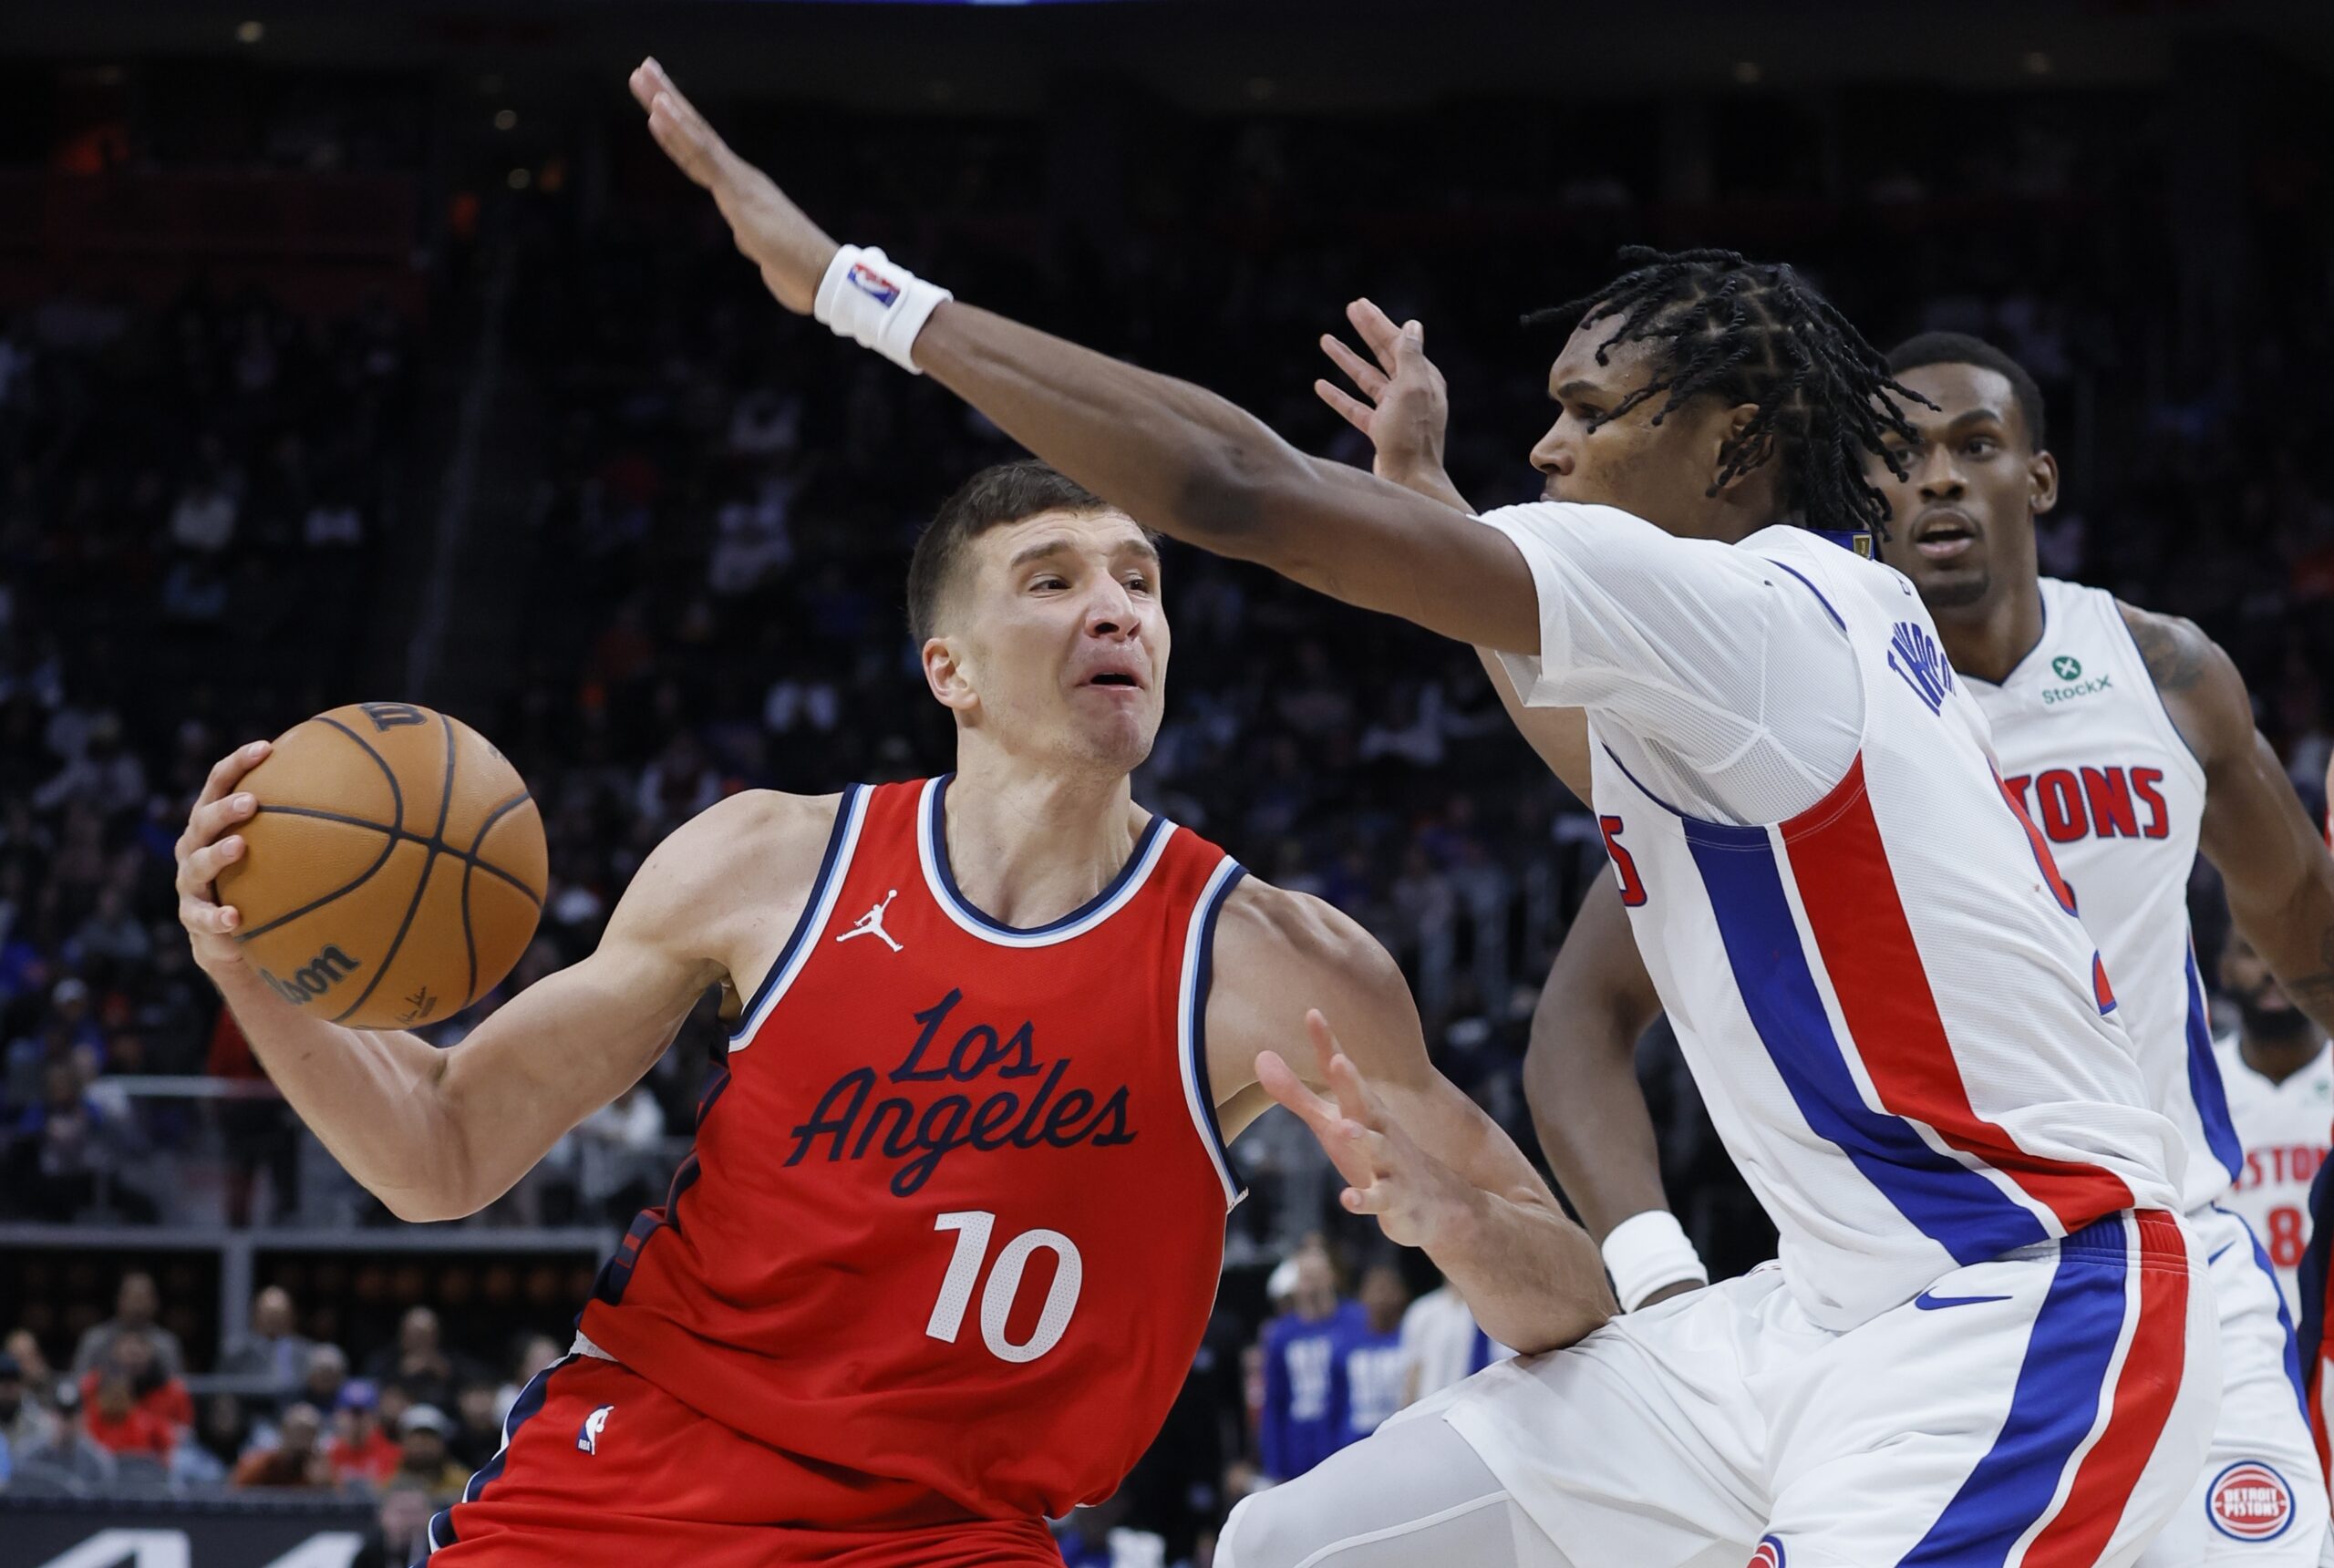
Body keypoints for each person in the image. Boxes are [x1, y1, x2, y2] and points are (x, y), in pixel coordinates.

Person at [631, 59, 2215, 1565]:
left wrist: (857, 290)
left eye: (1595, 411)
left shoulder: (1762, 613)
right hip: (1809, 1314)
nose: (1548, 443)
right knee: (1291, 1539)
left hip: (2023, 1299)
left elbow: (1231, 492)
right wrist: (1436, 509)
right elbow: (1581, 731)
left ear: (1733, 442)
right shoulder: (1795, 648)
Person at [174, 457, 1599, 1564]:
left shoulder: (1275, 964)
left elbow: (1577, 1294)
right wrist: (250, 964)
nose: (1116, 608)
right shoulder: (764, 866)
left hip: (949, 1534)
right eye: (1051, 580)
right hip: (636, 1476)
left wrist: (1459, 1226)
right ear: (949, 672)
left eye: (1139, 581)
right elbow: (442, 1147)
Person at [1515, 330, 2334, 1563]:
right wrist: (1660, 1280)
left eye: (1974, 447)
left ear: (2038, 479)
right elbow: (1581, 1018)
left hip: (2179, 1244)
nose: (1936, 479)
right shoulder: (1790, 695)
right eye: (1897, 456)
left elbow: (2302, 918)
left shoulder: (2162, 675)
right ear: (1856, 489)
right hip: (1935, 1293)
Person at [2215, 927, 2332, 1320]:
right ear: (2224, 969)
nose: (2272, 969)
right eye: (2251, 951)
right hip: (2237, 1332)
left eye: (2286, 952)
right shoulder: (2198, 1080)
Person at [1258, 1244, 1362, 1483]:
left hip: (1344, 1436)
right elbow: (1275, 1399)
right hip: (1299, 1441)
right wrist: (1275, 1464)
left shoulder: (1355, 1320)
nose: (1312, 1285)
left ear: (1331, 1276)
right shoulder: (1282, 1334)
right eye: (1305, 1277)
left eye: (1317, 1276)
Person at [1330, 1263, 1410, 1446]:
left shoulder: (1410, 1340)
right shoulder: (1346, 1345)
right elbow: (1335, 1402)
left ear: (1401, 1294)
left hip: (1399, 1436)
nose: (1381, 1297)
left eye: (1387, 1289)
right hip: (1354, 1438)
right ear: (1362, 1296)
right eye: (1375, 1289)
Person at [69, 1269, 184, 1380]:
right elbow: (79, 1384)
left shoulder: (166, 1343)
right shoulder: (96, 1339)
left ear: (155, 1302)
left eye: (144, 1298)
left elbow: (176, 1387)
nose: (138, 1305)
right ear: (119, 1299)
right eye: (133, 1297)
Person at [217, 1284, 315, 1402]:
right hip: (254, 1411)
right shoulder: (238, 1352)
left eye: (279, 1314)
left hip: (296, 1409)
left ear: (291, 1316)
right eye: (269, 1314)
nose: (274, 1320)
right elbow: (223, 1392)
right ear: (256, 1315)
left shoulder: (308, 1352)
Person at [231, 1399, 335, 1489]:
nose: (302, 1439)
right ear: (284, 1432)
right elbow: (236, 1493)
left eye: (309, 1433)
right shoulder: (262, 1464)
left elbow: (338, 1502)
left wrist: (323, 1485)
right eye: (297, 1432)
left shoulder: (322, 1466)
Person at [326, 1378, 402, 1486]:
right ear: (338, 1415)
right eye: (352, 1413)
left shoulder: (394, 1455)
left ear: (375, 1416)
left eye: (362, 1413)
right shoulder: (328, 1454)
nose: (357, 1420)